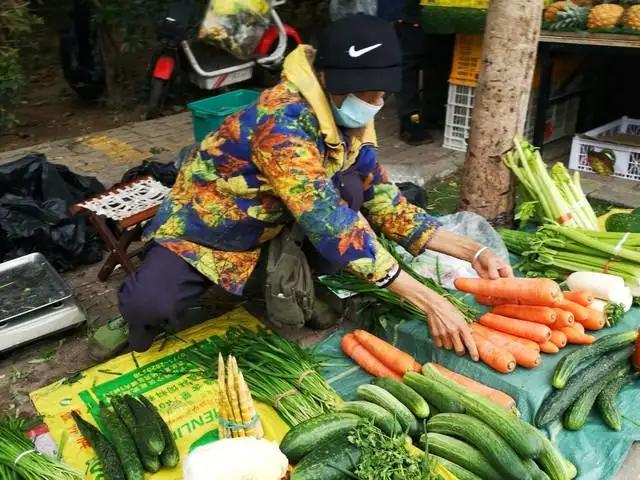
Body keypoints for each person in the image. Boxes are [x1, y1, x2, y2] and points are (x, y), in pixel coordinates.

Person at [89, 14, 511, 361]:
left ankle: (289, 277)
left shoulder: (347, 115)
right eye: (369, 92)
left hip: (278, 220)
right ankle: (137, 318)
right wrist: (429, 301)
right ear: (329, 79)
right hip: (211, 228)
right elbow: (332, 225)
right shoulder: (283, 125)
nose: (377, 103)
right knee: (151, 305)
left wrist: (473, 252)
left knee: (352, 188)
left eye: (382, 92)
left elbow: (384, 200)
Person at [378, 0, 454, 145]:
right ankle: (409, 120)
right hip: (413, 14)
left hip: (444, 13)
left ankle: (433, 113)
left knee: (439, 63)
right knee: (409, 65)